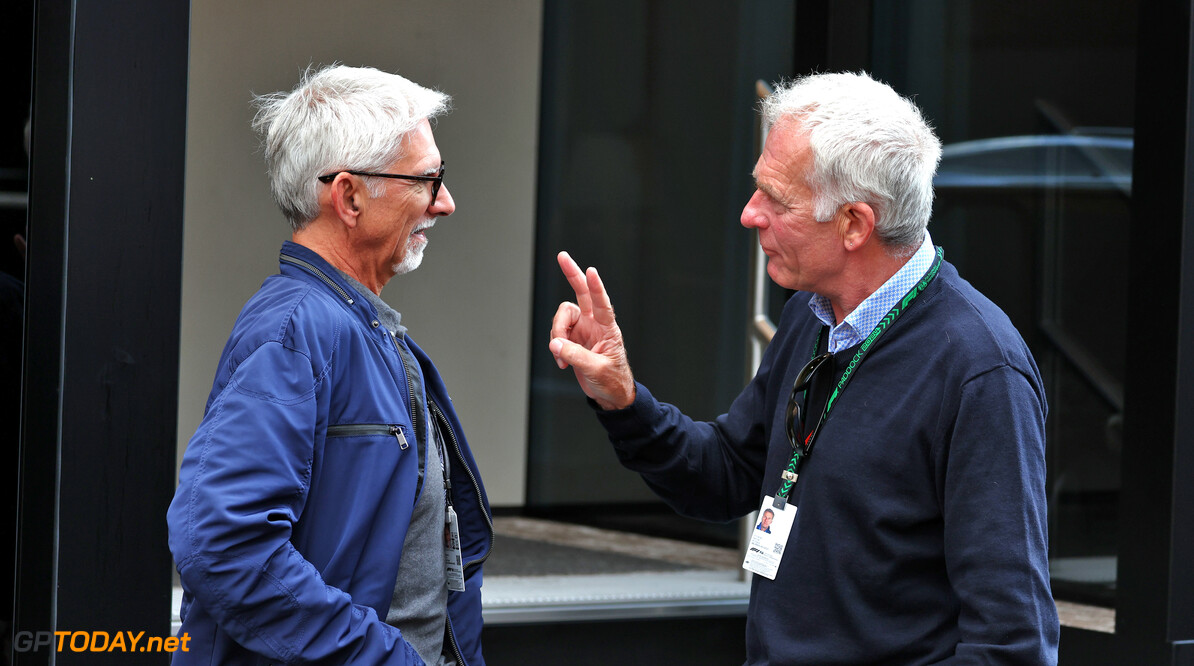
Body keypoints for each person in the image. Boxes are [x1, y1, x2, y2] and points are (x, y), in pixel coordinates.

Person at [548, 71, 1058, 664]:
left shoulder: (979, 370)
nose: (748, 214)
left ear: (853, 224)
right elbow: (728, 473)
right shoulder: (810, 317)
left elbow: (1011, 643)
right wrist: (622, 399)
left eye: (776, 199)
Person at [167, 64, 492, 665]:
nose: (444, 202)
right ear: (348, 196)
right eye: (427, 179)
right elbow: (224, 544)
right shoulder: (296, 331)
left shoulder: (347, 326)